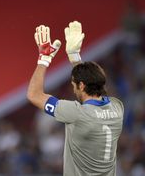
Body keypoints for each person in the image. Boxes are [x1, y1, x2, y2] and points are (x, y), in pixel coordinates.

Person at [27, 21, 124, 175]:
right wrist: (75, 58)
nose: (73, 89)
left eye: (74, 85)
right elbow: (94, 96)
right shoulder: (117, 108)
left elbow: (33, 94)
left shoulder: (75, 113)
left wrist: (44, 59)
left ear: (82, 86)